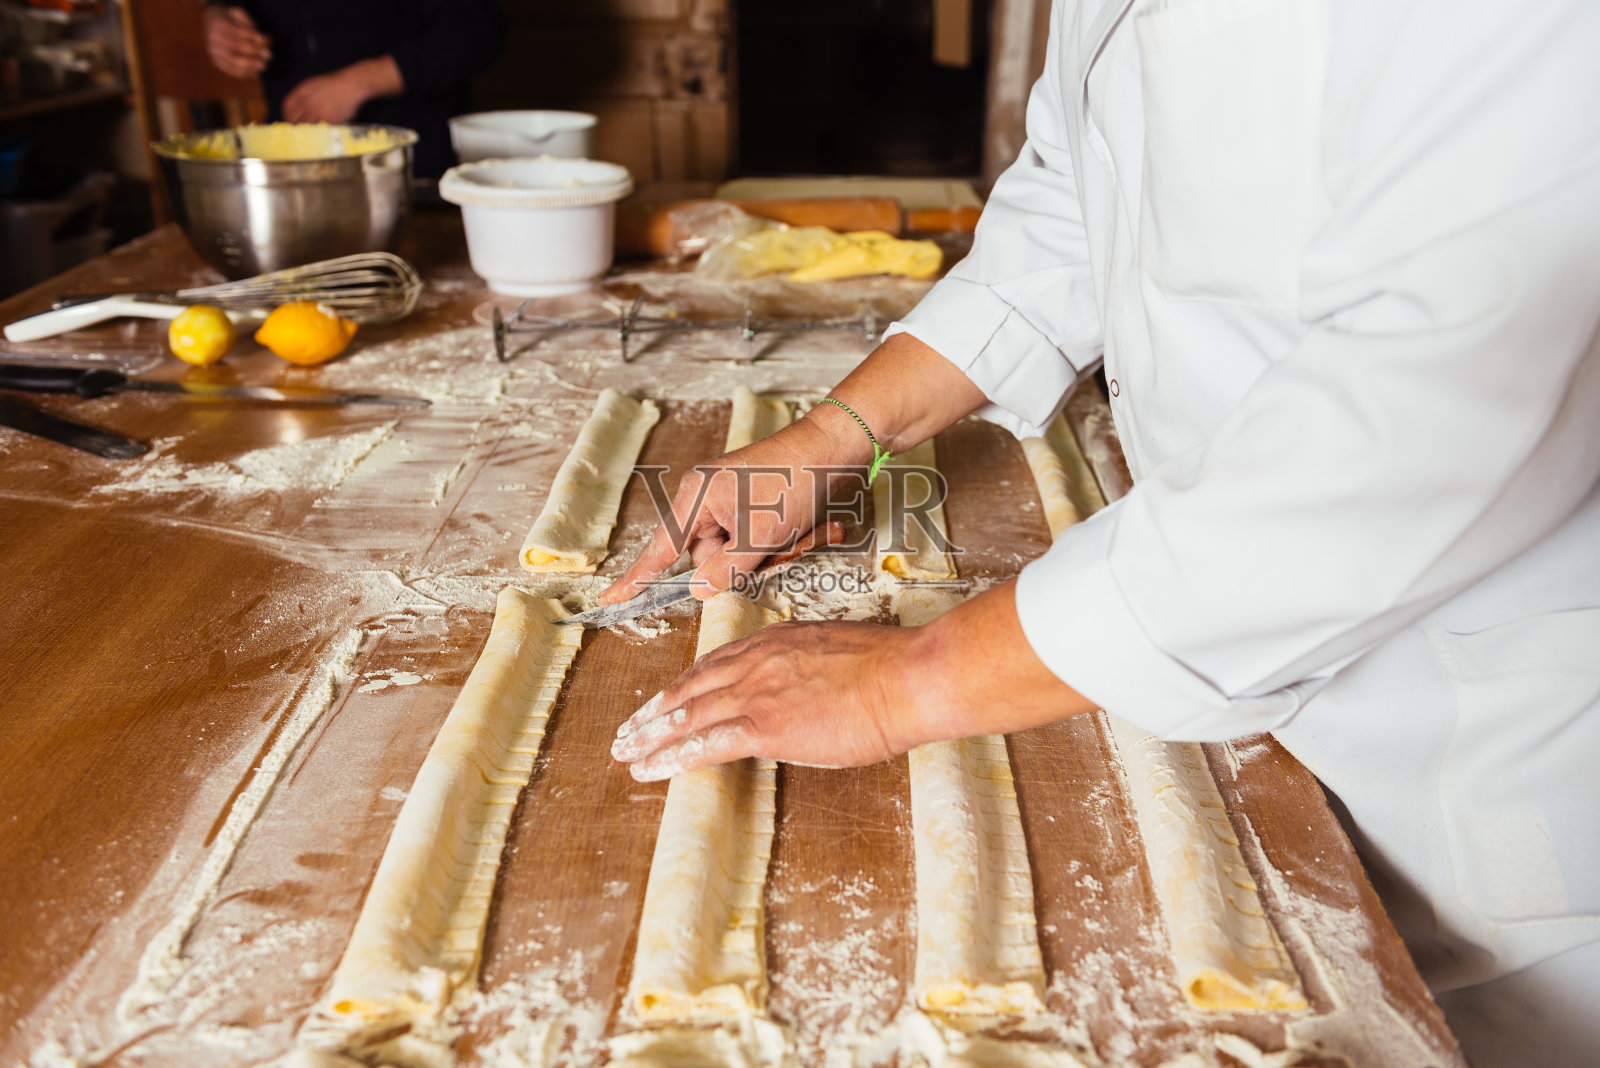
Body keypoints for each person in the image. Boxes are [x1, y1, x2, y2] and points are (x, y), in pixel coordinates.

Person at [602, 1, 1600, 1065]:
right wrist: (837, 433)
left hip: (1464, 747)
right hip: (1227, 643)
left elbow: (1407, 423)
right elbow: (1078, 196)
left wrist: (913, 682)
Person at [202, 0, 505, 178]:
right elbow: (226, 6)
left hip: (416, 166)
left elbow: (477, 29)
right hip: (290, 161)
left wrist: (360, 82)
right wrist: (218, 14)